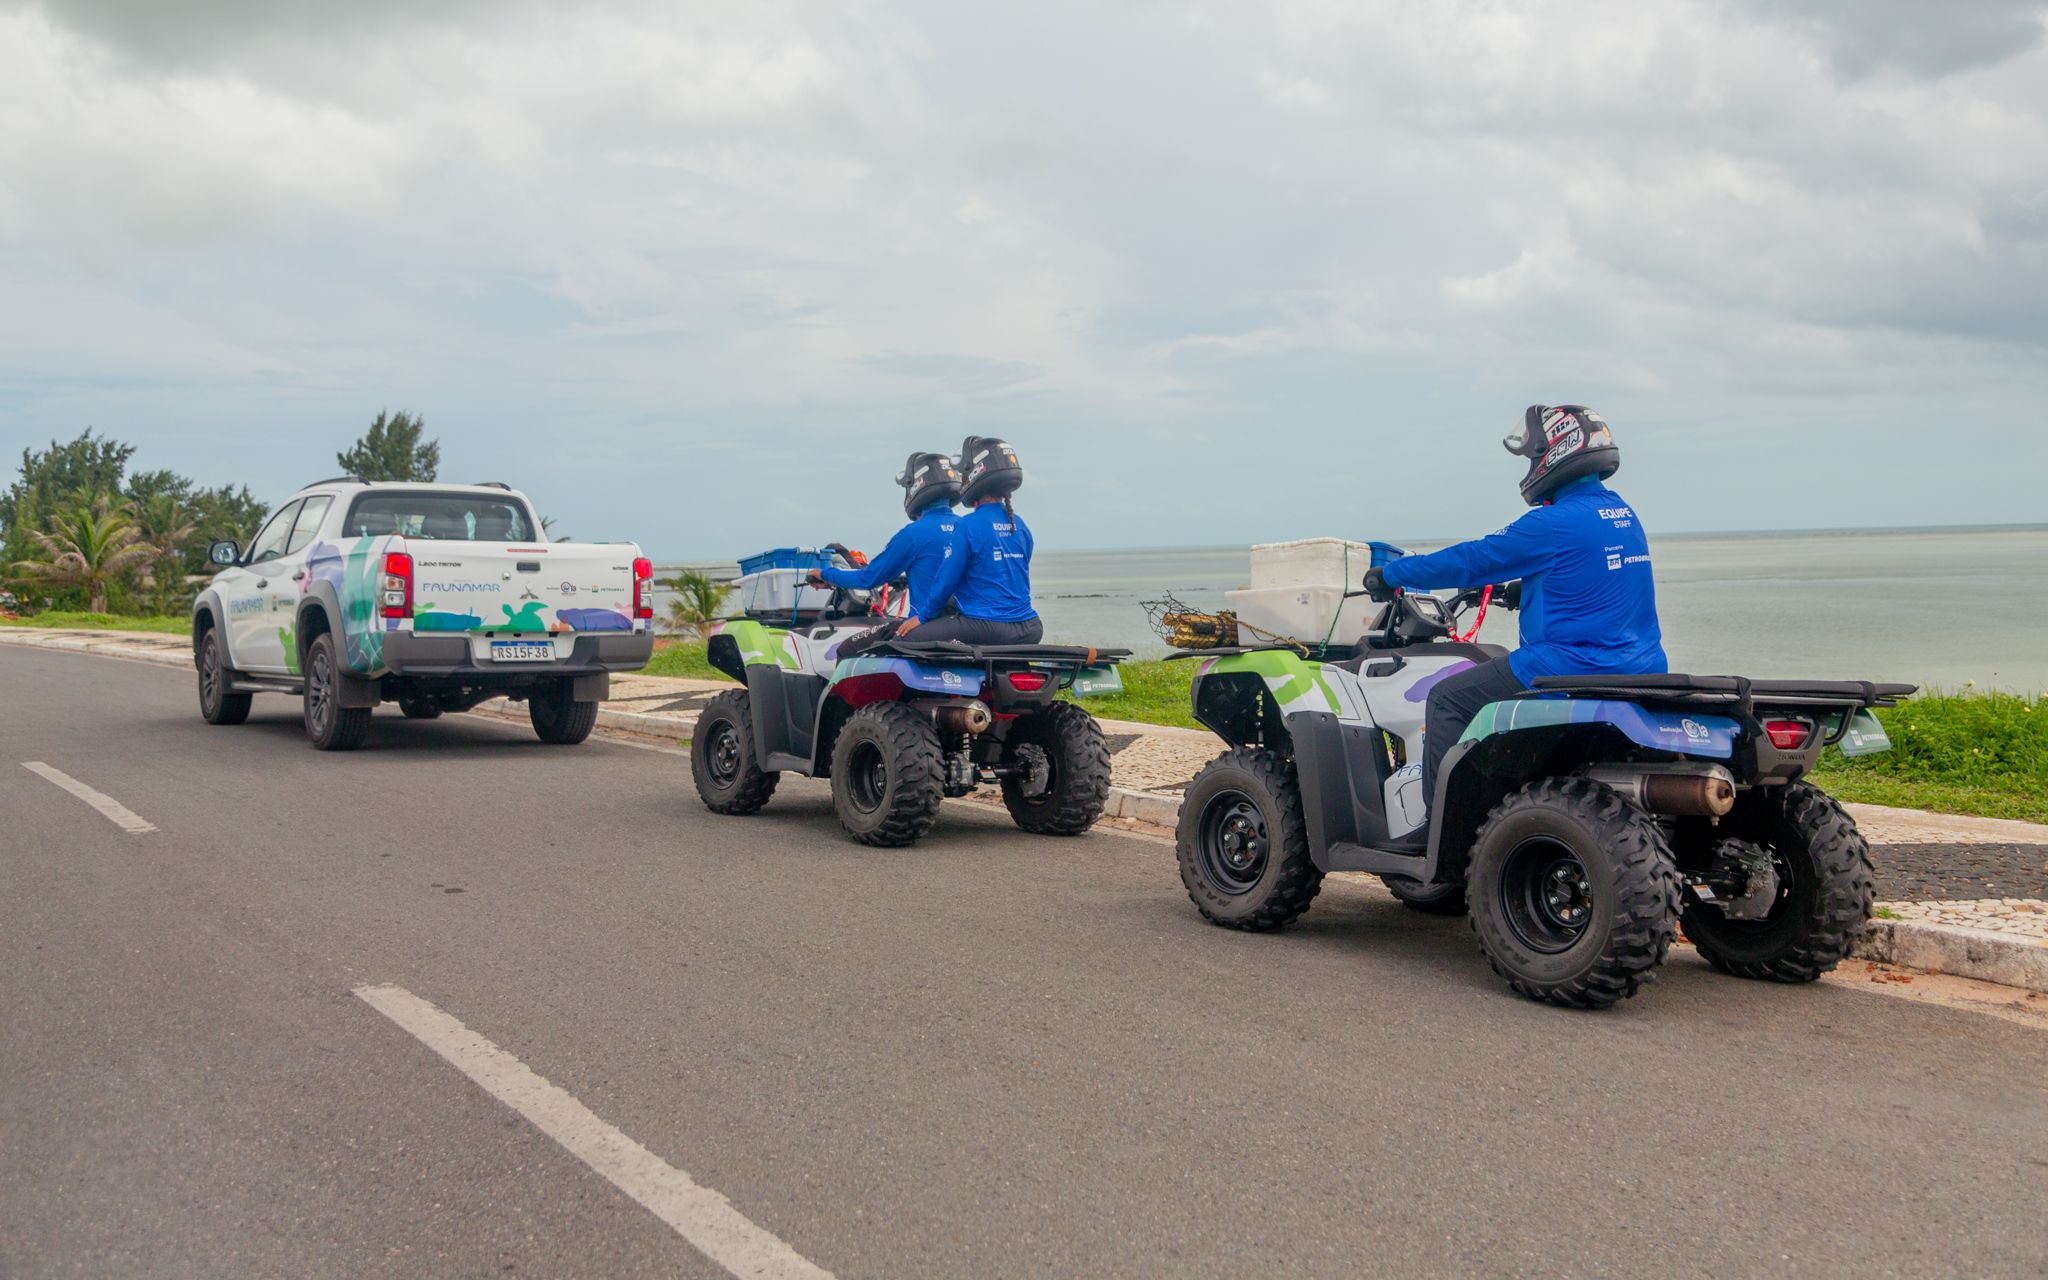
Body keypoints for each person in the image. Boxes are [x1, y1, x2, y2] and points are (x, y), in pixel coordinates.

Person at [1362, 404, 1667, 822]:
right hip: (1641, 666)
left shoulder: (1551, 523)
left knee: (1446, 699)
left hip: (1567, 666)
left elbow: (1472, 560)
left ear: (1555, 451)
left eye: (1532, 455)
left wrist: (1392, 575)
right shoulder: (1621, 514)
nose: (1530, 465)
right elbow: (1593, 577)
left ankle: (1444, 828)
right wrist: (1522, 591)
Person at [806, 452, 963, 651]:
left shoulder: (913, 534)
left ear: (916, 486)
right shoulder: (967, 527)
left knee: (846, 650)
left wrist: (824, 574)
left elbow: (868, 578)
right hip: (966, 627)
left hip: (923, 627)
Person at [899, 435, 1044, 646]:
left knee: (906, 638)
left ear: (974, 473)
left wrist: (922, 617)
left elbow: (946, 581)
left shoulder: (967, 525)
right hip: (1030, 627)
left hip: (987, 626)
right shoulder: (1020, 524)